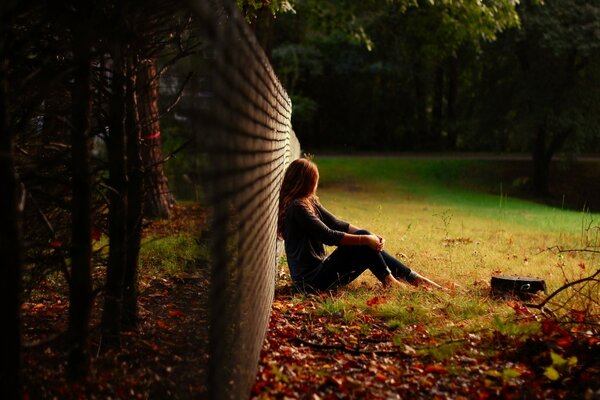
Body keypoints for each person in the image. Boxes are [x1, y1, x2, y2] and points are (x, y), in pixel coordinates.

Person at [277, 157, 443, 293]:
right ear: (305, 182)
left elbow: (336, 224)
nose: (315, 186)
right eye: (314, 181)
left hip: (320, 273)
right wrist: (365, 238)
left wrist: (371, 237)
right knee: (363, 242)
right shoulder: (297, 207)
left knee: (364, 240)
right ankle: (392, 281)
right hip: (310, 283)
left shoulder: (308, 201)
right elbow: (329, 236)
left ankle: (413, 278)